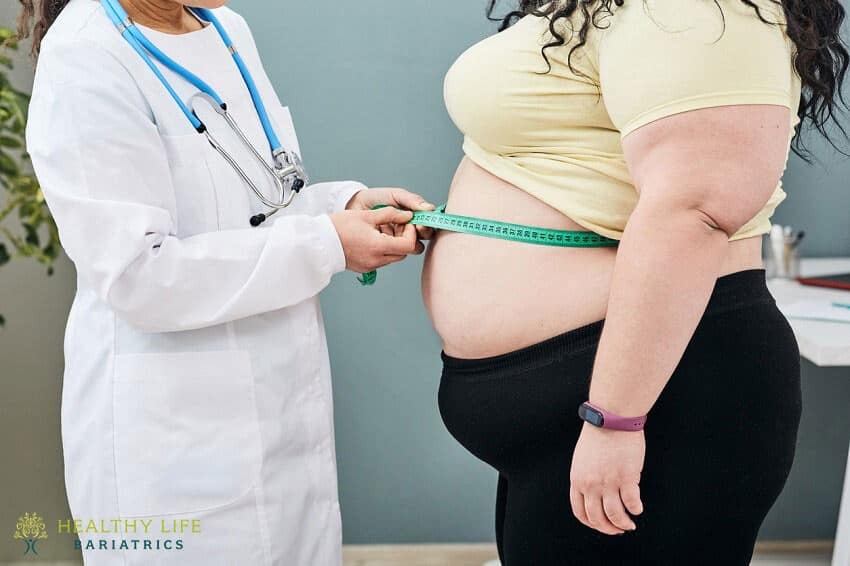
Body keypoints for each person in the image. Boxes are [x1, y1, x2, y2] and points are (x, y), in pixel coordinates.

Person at [423, 1, 847, 564]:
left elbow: (695, 208)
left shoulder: (701, 9)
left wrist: (616, 420)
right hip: (586, 409)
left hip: (659, 398)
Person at [18, 0, 433, 564]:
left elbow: (258, 205)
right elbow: (139, 274)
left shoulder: (226, 28)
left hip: (284, 421)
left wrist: (344, 206)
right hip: (173, 447)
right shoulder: (85, 54)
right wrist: (327, 242)